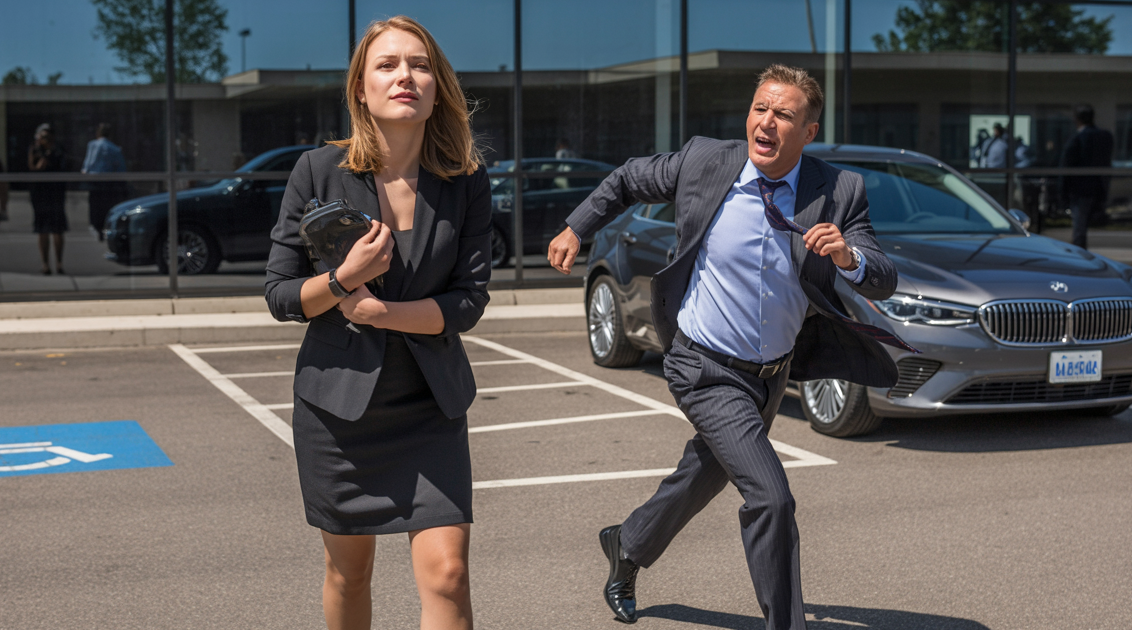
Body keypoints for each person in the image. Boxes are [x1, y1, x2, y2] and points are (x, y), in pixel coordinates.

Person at [548, 64, 912, 629]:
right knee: (771, 497)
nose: (766, 122)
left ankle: (628, 543)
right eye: (759, 108)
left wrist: (849, 256)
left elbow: (882, 275)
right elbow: (627, 179)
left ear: (808, 132)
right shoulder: (705, 161)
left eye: (783, 115)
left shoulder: (839, 190)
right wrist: (577, 227)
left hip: (771, 375)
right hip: (703, 365)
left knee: (706, 471)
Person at [264, 16, 490, 630]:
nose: (404, 76)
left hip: (429, 407)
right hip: (338, 414)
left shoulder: (465, 180)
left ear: (438, 88)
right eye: (386, 65)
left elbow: (468, 301)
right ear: (361, 90)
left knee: (449, 573)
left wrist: (379, 312)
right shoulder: (317, 170)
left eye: (419, 65)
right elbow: (280, 294)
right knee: (350, 572)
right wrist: (343, 280)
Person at [1061, 103, 1114, 249]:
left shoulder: (1077, 139)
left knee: (1079, 227)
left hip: (1081, 190)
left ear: (1077, 119)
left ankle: (1080, 255)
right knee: (1083, 225)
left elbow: (1066, 166)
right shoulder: (1105, 137)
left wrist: (1063, 193)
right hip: (1099, 187)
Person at [28, 123, 68, 275]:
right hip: (40, 193)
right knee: (42, 230)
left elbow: (64, 167)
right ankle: (45, 264)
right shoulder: (35, 149)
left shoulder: (58, 150)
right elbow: (34, 168)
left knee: (57, 229)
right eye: (43, 136)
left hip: (55, 193)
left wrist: (51, 152)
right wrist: (42, 154)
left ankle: (59, 263)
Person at [81, 122, 127, 240]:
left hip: (95, 181)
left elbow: (87, 165)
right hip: (108, 182)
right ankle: (104, 227)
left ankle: (97, 228)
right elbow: (120, 168)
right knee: (106, 205)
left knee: (95, 206)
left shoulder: (93, 145)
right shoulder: (114, 148)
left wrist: (85, 174)